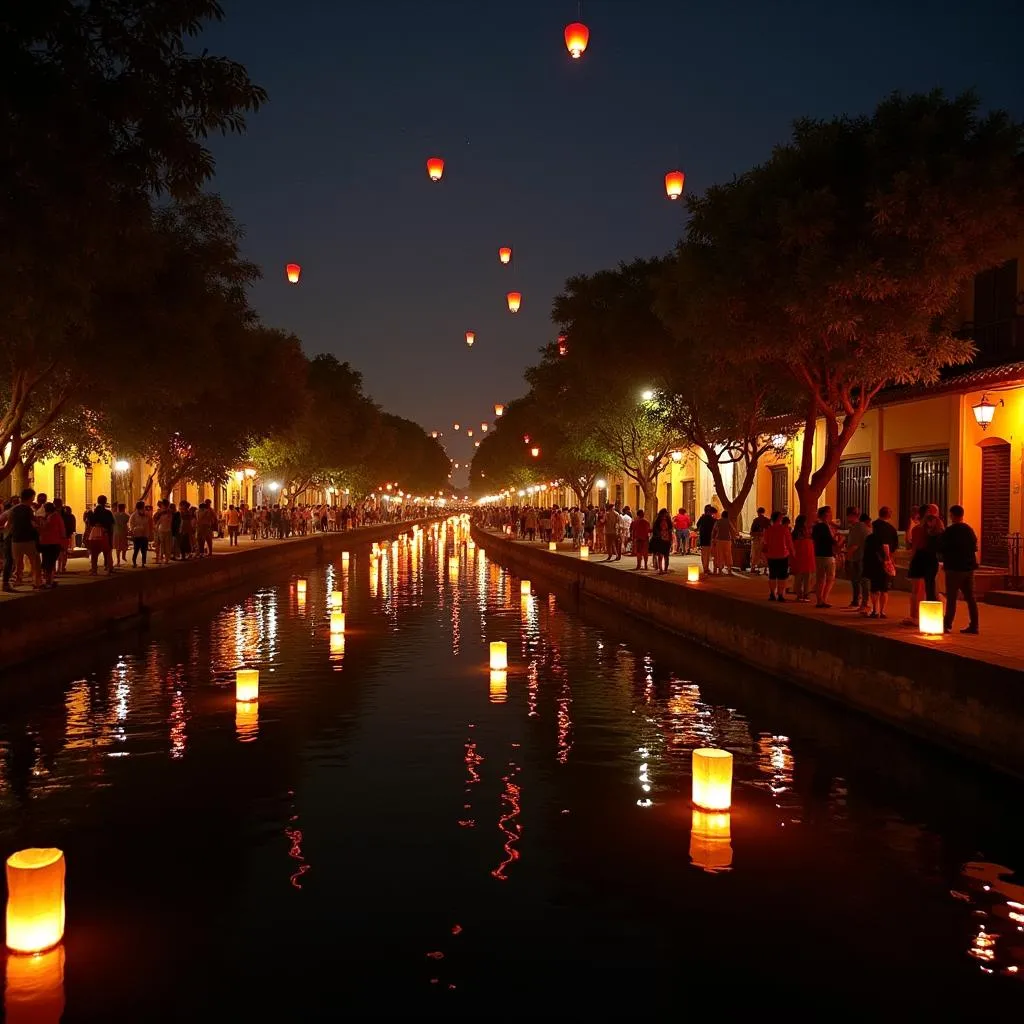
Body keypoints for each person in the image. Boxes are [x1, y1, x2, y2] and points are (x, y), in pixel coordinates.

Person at [940, 505, 979, 635]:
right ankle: (974, 625)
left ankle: (947, 624)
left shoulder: (950, 531)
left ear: (952, 515)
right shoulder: (969, 530)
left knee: (951, 598)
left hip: (954, 568)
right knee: (971, 598)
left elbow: (942, 547)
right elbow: (974, 547)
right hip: (968, 568)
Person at [904, 503, 944, 626]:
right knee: (929, 587)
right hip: (930, 559)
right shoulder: (936, 529)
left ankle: (915, 616)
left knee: (918, 589)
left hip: (921, 558)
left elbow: (915, 547)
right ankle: (926, 615)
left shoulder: (918, 529)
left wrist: (912, 559)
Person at [3, 489, 42, 591]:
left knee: (18, 562)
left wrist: (6, 534)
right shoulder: (28, 509)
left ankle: (17, 579)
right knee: (35, 561)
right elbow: (35, 522)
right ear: (31, 497)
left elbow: (8, 523)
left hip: (15, 540)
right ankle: (37, 582)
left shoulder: (13, 509)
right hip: (28, 539)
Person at [862, 518, 895, 619]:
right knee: (884, 589)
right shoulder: (887, 538)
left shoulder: (870, 538)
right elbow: (890, 552)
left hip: (874, 565)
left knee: (875, 588)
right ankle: (882, 611)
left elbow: (867, 553)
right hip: (885, 565)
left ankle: (875, 610)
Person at [762, 511, 795, 601]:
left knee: (772, 575)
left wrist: (764, 556)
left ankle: (772, 594)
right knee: (782, 576)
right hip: (783, 555)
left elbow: (765, 544)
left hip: (771, 556)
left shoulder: (768, 530)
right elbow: (789, 543)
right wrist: (793, 553)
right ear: (779, 518)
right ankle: (780, 594)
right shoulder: (784, 529)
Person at [811, 506, 838, 608]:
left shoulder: (816, 526)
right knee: (830, 578)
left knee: (820, 578)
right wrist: (838, 539)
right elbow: (831, 541)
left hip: (818, 554)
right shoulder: (825, 526)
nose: (831, 514)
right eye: (829, 512)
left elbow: (813, 538)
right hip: (827, 554)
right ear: (825, 514)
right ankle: (824, 599)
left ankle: (819, 600)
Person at [845, 512, 872, 611]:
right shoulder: (864, 528)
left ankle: (862, 602)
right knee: (858, 580)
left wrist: (848, 557)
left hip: (859, 557)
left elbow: (855, 545)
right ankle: (858, 601)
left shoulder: (858, 528)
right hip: (861, 557)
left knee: (860, 580)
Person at [37, 502, 66, 588]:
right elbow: (62, 530)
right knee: (49, 562)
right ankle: (49, 580)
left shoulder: (52, 517)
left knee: (48, 562)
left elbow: (46, 528)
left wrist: (40, 523)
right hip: (53, 542)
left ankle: (48, 581)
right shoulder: (56, 516)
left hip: (50, 543)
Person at [87, 495, 116, 575]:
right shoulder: (108, 512)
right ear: (105, 502)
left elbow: (90, 523)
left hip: (95, 532)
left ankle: (94, 570)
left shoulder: (94, 512)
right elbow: (111, 524)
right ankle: (109, 568)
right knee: (107, 552)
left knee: (94, 553)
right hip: (105, 533)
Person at [790, 514, 815, 601]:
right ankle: (805, 593)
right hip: (806, 555)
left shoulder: (795, 532)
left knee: (799, 576)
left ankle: (799, 594)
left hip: (800, 556)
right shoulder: (805, 532)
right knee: (806, 576)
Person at [129, 500, 153, 567]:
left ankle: (143, 563)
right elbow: (131, 525)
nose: (143, 509)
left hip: (145, 535)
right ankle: (134, 563)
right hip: (137, 535)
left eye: (143, 507)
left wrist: (150, 533)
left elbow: (150, 523)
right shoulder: (133, 515)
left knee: (144, 550)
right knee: (136, 549)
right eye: (142, 507)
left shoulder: (147, 515)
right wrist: (136, 528)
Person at [712, 509, 736, 575]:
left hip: (719, 540)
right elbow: (733, 530)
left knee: (720, 554)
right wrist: (734, 537)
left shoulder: (718, 521)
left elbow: (714, 530)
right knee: (728, 554)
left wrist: (713, 539)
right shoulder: (728, 521)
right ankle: (729, 570)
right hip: (727, 540)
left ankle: (720, 569)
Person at [695, 505, 717, 577]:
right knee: (708, 555)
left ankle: (705, 568)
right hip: (709, 538)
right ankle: (706, 569)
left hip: (703, 538)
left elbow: (697, 525)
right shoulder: (712, 519)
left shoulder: (702, 518)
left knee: (704, 554)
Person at [749, 507, 771, 575]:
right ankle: (765, 569)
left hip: (756, 539)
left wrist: (758, 534)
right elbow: (770, 531)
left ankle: (753, 568)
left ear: (758, 512)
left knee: (755, 553)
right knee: (764, 555)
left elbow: (751, 532)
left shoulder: (756, 520)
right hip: (765, 540)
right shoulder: (767, 520)